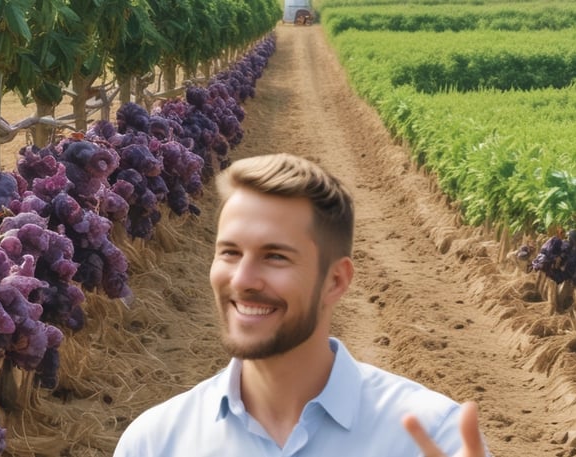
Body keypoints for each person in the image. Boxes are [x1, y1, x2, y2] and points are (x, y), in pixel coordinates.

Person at [113, 153, 490, 456]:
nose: (242, 280)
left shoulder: (434, 436)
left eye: (275, 256)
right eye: (229, 252)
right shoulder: (154, 443)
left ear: (336, 281)